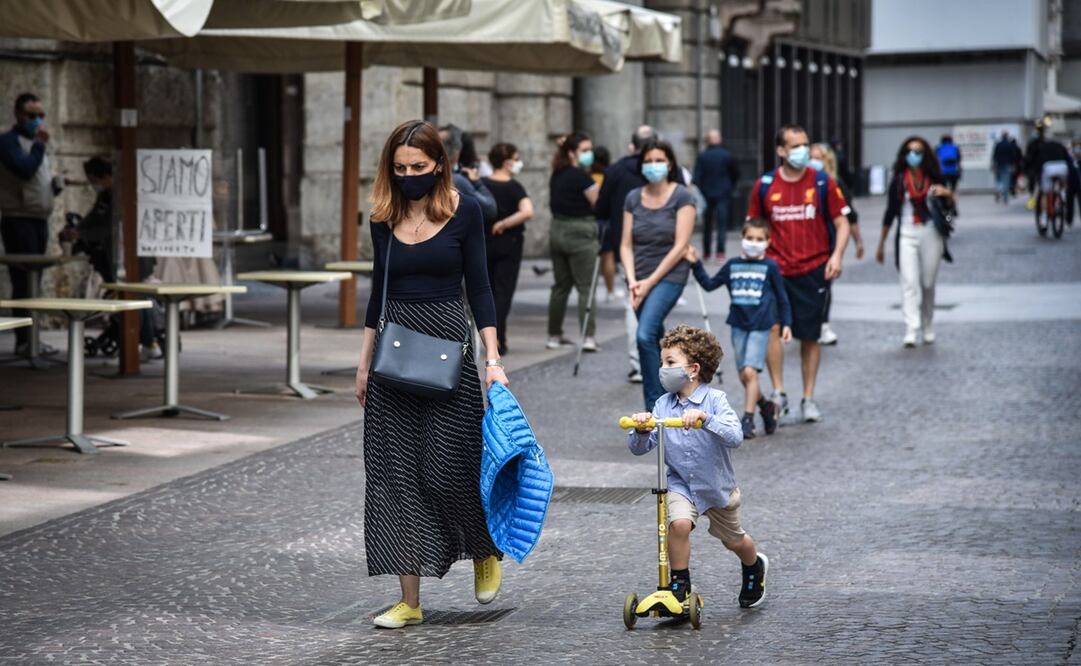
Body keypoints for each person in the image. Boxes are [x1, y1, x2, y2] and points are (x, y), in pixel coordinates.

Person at [354, 120, 509, 630]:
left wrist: (493, 360)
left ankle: (483, 546)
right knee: (394, 477)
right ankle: (409, 599)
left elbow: (481, 290)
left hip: (449, 346)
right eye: (399, 169)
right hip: (394, 353)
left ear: (439, 165)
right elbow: (378, 293)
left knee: (448, 465)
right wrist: (363, 361)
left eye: (417, 168)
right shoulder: (384, 215)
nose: (408, 177)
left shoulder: (465, 213)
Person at [628, 325, 769, 609]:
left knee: (734, 540)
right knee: (678, 524)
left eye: (670, 363)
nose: (663, 368)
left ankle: (754, 565)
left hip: (716, 486)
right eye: (662, 362)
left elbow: (735, 436)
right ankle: (679, 585)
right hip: (681, 483)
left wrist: (706, 419)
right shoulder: (663, 404)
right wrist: (642, 429)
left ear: (692, 369)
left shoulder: (715, 400)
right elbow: (641, 448)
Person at [746, 124, 850, 424]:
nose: (802, 150)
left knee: (810, 336)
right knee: (772, 329)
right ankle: (779, 391)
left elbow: (841, 222)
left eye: (804, 144)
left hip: (813, 269)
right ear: (780, 150)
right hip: (775, 270)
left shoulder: (822, 181)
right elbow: (753, 226)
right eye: (795, 146)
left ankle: (808, 397)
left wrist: (837, 256)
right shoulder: (764, 185)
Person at [685, 218, 791, 439]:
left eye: (759, 239)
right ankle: (766, 406)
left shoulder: (770, 267)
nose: (754, 242)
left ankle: (748, 418)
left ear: (768, 242)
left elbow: (782, 298)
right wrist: (695, 264)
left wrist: (786, 324)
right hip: (738, 325)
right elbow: (709, 284)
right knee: (745, 376)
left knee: (751, 372)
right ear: (742, 238)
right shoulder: (732, 265)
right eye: (750, 238)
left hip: (761, 325)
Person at [620, 139, 696, 409]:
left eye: (659, 161)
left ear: (670, 164)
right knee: (653, 338)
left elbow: (680, 246)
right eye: (648, 161)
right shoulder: (633, 197)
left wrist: (649, 283)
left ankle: (654, 405)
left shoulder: (682, 196)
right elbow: (626, 244)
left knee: (644, 334)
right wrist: (631, 281)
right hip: (637, 277)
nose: (654, 166)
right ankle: (673, 393)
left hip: (669, 275)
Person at [596, 125, 662, 383]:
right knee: (655, 303)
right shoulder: (668, 168)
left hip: (628, 245)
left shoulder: (614, 170)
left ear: (632, 145)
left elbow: (600, 209)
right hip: (657, 246)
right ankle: (657, 358)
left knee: (633, 302)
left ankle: (639, 362)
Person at [0, 92, 65, 355]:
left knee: (34, 280)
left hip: (38, 219)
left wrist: (56, 187)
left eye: (41, 115)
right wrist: (39, 145)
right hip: (18, 219)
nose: (37, 120)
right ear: (18, 115)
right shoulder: (8, 142)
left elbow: (38, 182)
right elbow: (24, 170)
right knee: (23, 280)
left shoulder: (36, 145)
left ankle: (33, 338)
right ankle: (25, 340)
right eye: (32, 115)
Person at [875, 136, 955, 347]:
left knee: (927, 283)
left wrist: (948, 195)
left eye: (918, 151)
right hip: (907, 233)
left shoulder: (934, 177)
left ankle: (927, 324)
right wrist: (881, 243)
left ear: (925, 154)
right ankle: (911, 328)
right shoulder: (899, 180)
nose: (914, 155)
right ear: (904, 155)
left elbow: (950, 212)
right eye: (910, 151)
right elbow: (890, 212)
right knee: (908, 282)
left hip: (930, 231)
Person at [547, 131, 600, 352]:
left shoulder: (556, 174)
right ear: (572, 153)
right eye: (584, 150)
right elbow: (598, 203)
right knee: (586, 287)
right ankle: (588, 336)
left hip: (557, 230)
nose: (589, 154)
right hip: (581, 231)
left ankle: (553, 335)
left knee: (561, 287)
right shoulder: (582, 177)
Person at [481, 142, 533, 355]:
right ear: (507, 162)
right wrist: (505, 223)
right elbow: (527, 211)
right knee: (503, 293)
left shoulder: (482, 184)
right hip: (509, 244)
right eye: (517, 157)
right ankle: (498, 339)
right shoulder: (514, 187)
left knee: (489, 291)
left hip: (484, 243)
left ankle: (494, 338)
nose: (519, 162)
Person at [809, 142, 863, 346]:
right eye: (811, 157)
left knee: (824, 284)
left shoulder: (834, 183)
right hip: (805, 242)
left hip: (827, 242)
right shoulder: (802, 183)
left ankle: (823, 325)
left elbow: (849, 215)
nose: (813, 162)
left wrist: (858, 241)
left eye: (818, 157)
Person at [693, 129, 740, 261]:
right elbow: (735, 173)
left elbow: (697, 176)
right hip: (723, 192)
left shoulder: (702, 156)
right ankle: (720, 252)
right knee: (722, 223)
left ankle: (707, 252)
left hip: (707, 193)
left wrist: (702, 189)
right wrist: (731, 186)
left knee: (707, 225)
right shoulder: (727, 155)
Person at [438, 124, 497, 223]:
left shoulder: (427, 175)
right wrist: (477, 183)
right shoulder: (458, 180)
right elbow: (490, 210)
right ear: (457, 151)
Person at [992, 131, 1016, 204]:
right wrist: (1013, 164)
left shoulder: (998, 144)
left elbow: (994, 155)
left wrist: (994, 164)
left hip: (999, 164)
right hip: (1007, 165)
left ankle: (998, 191)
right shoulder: (1010, 145)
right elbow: (1013, 156)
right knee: (1006, 181)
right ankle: (1005, 197)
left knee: (998, 180)